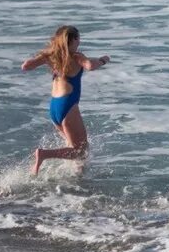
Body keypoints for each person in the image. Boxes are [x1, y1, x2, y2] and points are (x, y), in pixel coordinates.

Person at [21, 25, 110, 175]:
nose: (79, 42)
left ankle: (78, 176)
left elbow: (26, 66)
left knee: (75, 147)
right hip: (67, 106)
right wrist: (103, 60)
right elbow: (90, 66)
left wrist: (44, 56)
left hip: (54, 108)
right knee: (81, 151)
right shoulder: (76, 56)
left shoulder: (52, 56)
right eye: (78, 39)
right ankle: (44, 154)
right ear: (74, 39)